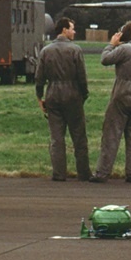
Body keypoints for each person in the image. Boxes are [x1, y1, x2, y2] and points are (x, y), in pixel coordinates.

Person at [92, 20, 131, 183]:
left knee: (112, 133)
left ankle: (102, 172)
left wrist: (111, 44)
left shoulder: (124, 49)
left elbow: (105, 59)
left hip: (123, 91)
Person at [35, 16, 90, 181]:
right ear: (64, 30)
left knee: (57, 138)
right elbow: (82, 77)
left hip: (52, 94)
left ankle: (59, 173)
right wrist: (83, 94)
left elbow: (39, 79)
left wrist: (40, 97)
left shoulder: (46, 51)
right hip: (73, 94)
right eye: (72, 28)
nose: (74, 31)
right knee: (79, 136)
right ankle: (83, 173)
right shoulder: (75, 50)